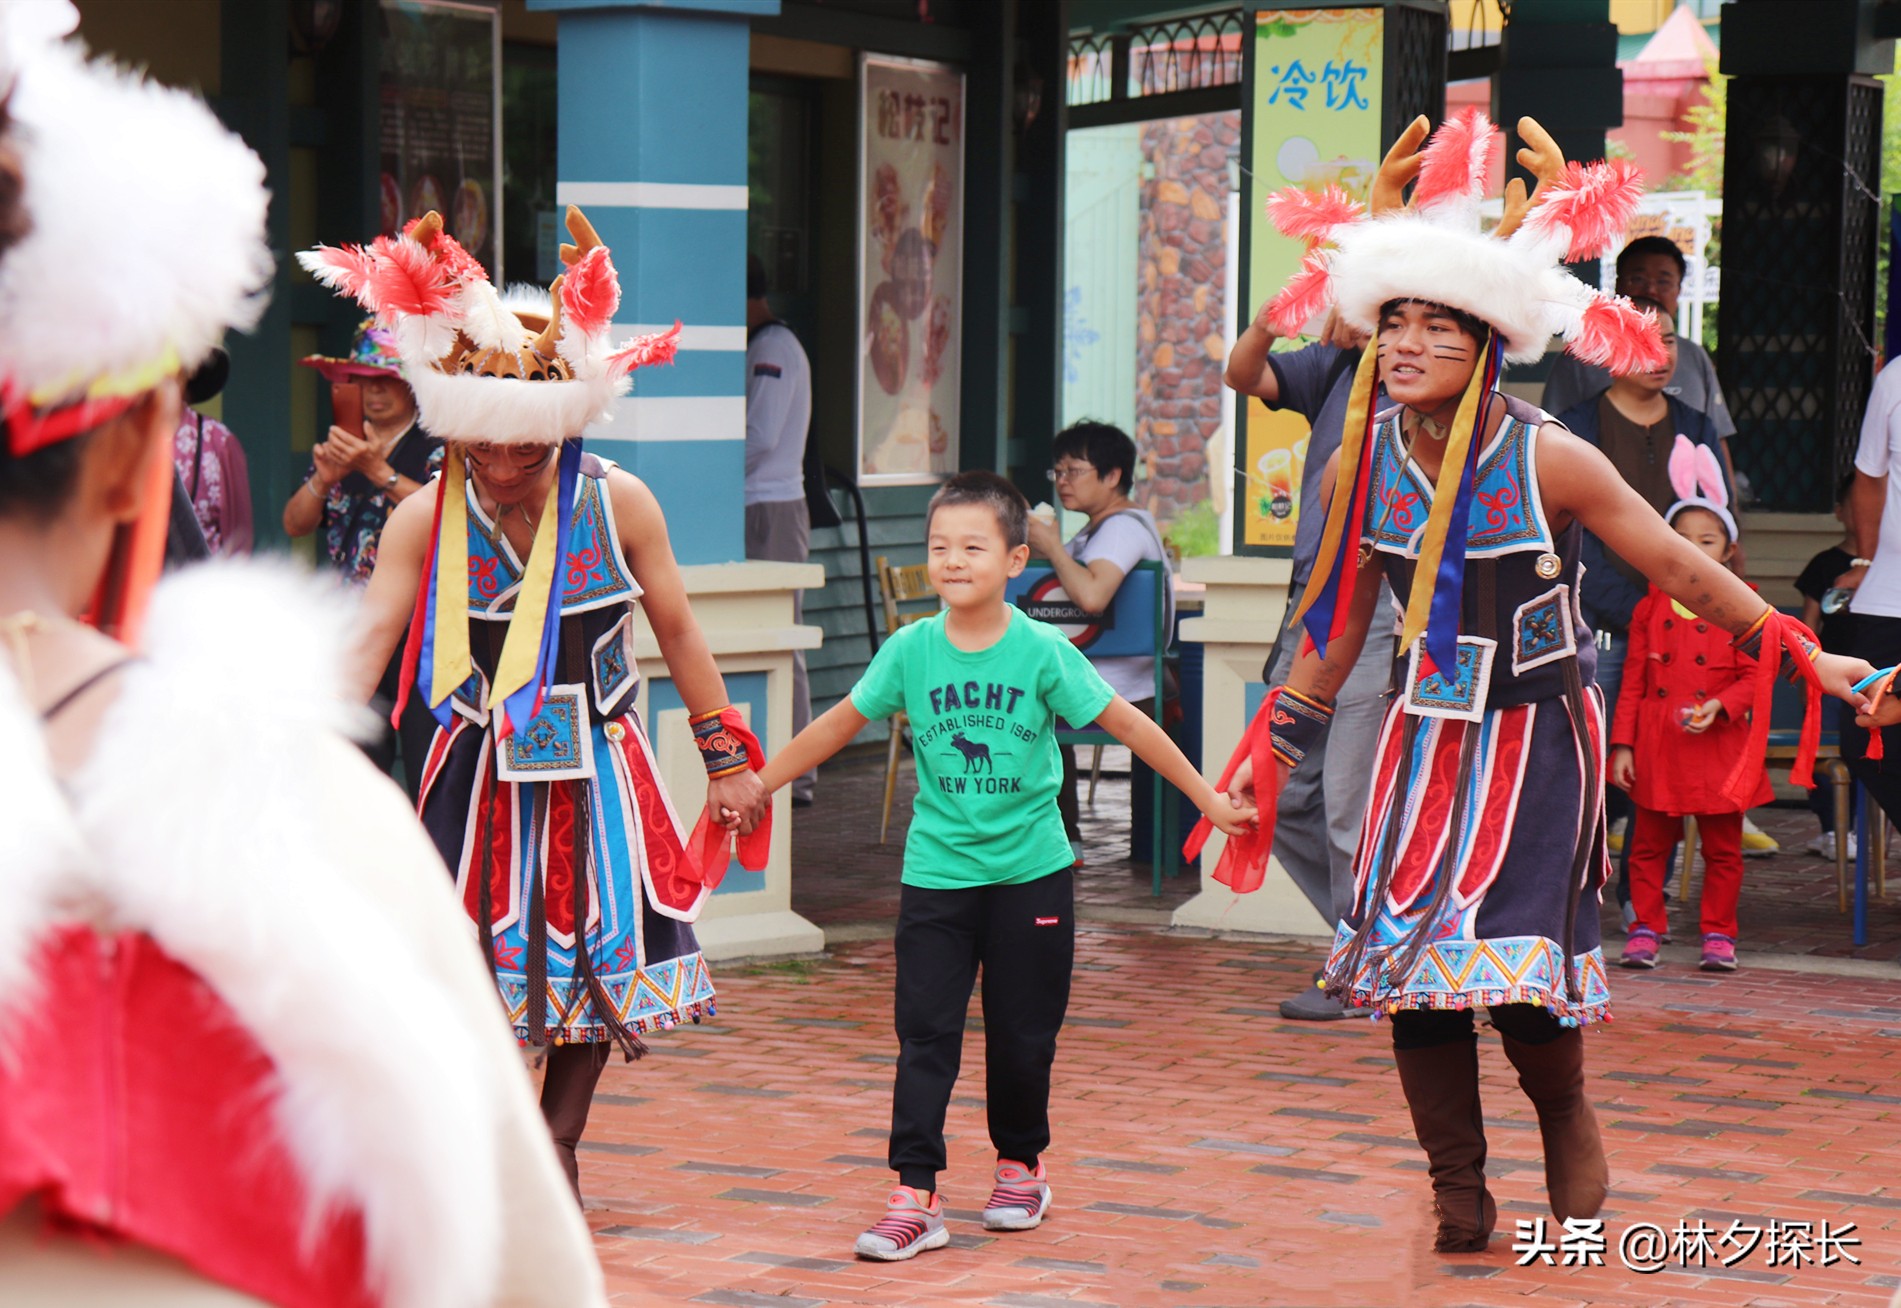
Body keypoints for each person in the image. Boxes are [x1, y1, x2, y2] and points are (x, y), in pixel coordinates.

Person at [0, 7, 605, 1303]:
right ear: (125, 459)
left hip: (564, 770)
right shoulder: (299, 798)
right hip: (448, 760)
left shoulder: (616, 513)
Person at [1216, 110, 1870, 1256]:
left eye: (1436, 324)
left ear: (1487, 342)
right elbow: (1340, 626)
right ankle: (1455, 1189)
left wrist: (1801, 650)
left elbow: (1677, 567)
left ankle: (1563, 1112)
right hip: (1421, 743)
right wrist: (1278, 736)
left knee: (1515, 972)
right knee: (1413, 975)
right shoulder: (1355, 462)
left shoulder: (1545, 453)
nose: (1407, 341)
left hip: (1535, 745)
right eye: (1393, 321)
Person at [308, 205, 765, 1203]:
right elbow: (368, 643)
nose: (509, 472)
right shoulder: (426, 515)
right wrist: (308, 760)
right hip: (468, 765)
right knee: (460, 960)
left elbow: (680, 630)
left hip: (597, 759)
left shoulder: (618, 502)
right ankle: (495, 1138)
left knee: (601, 952)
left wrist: (726, 756)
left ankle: (557, 1143)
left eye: (531, 451)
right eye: (487, 451)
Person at [747, 471, 1255, 1262]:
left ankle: (1020, 1165)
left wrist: (1209, 798)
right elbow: (835, 726)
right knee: (924, 1036)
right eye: (938, 547)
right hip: (936, 876)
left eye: (972, 546)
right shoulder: (909, 650)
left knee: (1022, 1037)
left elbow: (1129, 725)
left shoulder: (1040, 650)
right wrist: (759, 787)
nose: (952, 561)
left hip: (1030, 876)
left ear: (1015, 558)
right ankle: (915, 1193)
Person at [1223, 305, 1397, 1020]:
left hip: (1380, 602)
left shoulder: (1454, 385)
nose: (1408, 337)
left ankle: (1364, 965)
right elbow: (1242, 372)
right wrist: (1271, 319)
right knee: (1282, 793)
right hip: (1311, 599)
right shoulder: (1336, 363)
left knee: (1348, 804)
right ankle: (1373, 949)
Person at [1556, 300, 1736, 884]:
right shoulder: (1577, 428)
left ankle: (1640, 902)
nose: (1661, 354)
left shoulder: (1695, 423)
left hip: (1684, 629)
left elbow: (1717, 517)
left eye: (1669, 340)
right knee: (1588, 759)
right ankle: (1573, 889)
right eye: (1644, 340)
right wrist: (1639, 610)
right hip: (1602, 625)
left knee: (1656, 766)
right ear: (1608, 352)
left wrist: (1685, 610)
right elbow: (1567, 533)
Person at [1609, 442, 1766, 972]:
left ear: (1727, 549)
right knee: (1648, 845)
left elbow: (1756, 676)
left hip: (1720, 744)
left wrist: (1722, 704)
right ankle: (1645, 927)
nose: (1694, 549)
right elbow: (1633, 680)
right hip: (1659, 743)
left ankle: (1720, 934)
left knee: (1723, 850)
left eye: (1707, 540)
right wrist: (1623, 745)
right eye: (1680, 540)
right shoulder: (1649, 607)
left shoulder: (1745, 604)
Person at [287, 321, 443, 792]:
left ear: (411, 387)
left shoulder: (435, 447)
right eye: (364, 381)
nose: (374, 392)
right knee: (354, 766)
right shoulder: (343, 444)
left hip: (420, 631)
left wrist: (378, 471)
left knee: (424, 765)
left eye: (387, 381)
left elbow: (444, 518)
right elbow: (296, 522)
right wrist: (324, 477)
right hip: (354, 630)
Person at [1024, 420, 1173, 867]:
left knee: (1023, 706)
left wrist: (1052, 548)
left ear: (1112, 476)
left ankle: (1059, 843)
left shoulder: (1121, 530)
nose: (1063, 481)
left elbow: (1091, 596)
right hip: (1109, 679)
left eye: (1074, 471)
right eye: (1058, 472)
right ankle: (1059, 839)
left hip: (1120, 688)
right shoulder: (1101, 528)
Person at [1541, 235, 1736, 464]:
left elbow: (1717, 439)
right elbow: (1554, 435)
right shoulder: (1581, 355)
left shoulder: (1694, 356)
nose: (1650, 289)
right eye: (1638, 278)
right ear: (1618, 285)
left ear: (1679, 289)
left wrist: (1727, 499)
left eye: (1664, 281)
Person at [746, 254, 816, 805]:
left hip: (770, 504)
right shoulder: (762, 345)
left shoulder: (772, 347)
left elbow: (761, 435)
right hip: (759, 504)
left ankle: (800, 774)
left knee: (780, 634)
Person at [1794, 472, 1861, 860]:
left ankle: (1860, 828)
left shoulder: (1891, 564)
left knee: (1868, 754)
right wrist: (1808, 673)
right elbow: (1809, 623)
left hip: (1876, 676)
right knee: (1821, 754)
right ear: (1839, 512)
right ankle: (1832, 829)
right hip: (1829, 674)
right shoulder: (1824, 564)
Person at [172, 346, 253, 553]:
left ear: (189, 369)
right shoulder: (117, 440)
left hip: (199, 582)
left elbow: (237, 549)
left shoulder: (219, 444)